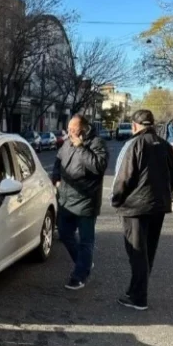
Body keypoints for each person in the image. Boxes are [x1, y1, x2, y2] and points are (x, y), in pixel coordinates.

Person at [111, 109, 173, 311]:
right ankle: (135, 290)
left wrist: (117, 199)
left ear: (135, 125)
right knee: (148, 250)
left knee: (137, 252)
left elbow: (124, 177)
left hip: (135, 208)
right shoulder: (165, 146)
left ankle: (139, 297)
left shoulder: (134, 144)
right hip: (158, 206)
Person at [51, 114, 109, 290]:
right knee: (64, 233)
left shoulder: (96, 143)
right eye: (68, 128)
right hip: (66, 198)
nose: (69, 132)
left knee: (86, 240)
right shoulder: (67, 143)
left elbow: (99, 166)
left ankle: (80, 275)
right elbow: (58, 161)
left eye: (73, 128)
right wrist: (56, 178)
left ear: (83, 128)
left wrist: (81, 147)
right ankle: (83, 262)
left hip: (86, 200)